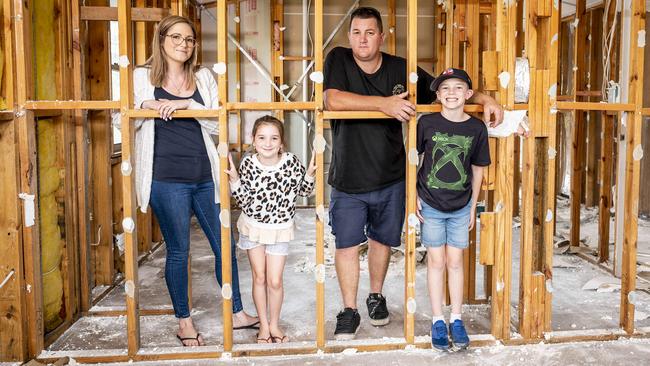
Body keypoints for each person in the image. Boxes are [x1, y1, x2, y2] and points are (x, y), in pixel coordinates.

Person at [323, 6, 503, 340]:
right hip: (348, 176)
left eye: (370, 32)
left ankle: (375, 296)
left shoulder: (399, 68)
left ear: (382, 36)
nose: (362, 39)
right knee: (347, 244)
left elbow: (447, 89)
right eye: (356, 32)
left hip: (391, 176)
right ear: (350, 37)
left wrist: (485, 98)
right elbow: (332, 100)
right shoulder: (338, 59)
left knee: (381, 241)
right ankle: (349, 310)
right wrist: (383, 104)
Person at [133, 15, 258, 347]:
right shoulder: (142, 77)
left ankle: (238, 312)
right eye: (176, 37)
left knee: (225, 247)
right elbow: (122, 119)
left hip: (206, 177)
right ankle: (184, 321)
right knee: (179, 251)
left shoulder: (203, 78)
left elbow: (219, 126)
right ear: (161, 40)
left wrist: (191, 104)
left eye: (189, 40)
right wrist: (146, 103)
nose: (183, 45)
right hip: (165, 179)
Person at [416, 68, 490, 351]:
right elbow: (413, 158)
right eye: (445, 89)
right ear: (437, 95)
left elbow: (478, 168)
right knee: (436, 262)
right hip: (431, 204)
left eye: (458, 88)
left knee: (455, 262)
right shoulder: (427, 123)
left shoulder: (476, 128)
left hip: (460, 207)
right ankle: (437, 320)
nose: (451, 93)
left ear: (468, 94)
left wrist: (473, 206)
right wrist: (413, 195)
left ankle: (456, 319)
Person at [225, 115, 316, 344]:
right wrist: (235, 180)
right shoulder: (248, 163)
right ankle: (264, 327)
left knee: (275, 281)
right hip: (253, 227)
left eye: (274, 138)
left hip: (280, 228)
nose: (268, 143)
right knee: (260, 277)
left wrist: (311, 173)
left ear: (281, 142)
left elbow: (304, 192)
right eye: (262, 138)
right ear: (253, 141)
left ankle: (275, 324)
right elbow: (244, 200)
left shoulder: (291, 162)